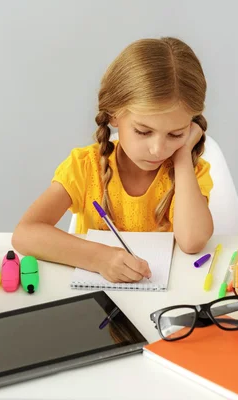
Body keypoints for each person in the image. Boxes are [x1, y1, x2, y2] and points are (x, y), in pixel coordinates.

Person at [12, 37, 214, 283]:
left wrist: (183, 156)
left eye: (175, 134)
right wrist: (99, 259)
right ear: (114, 116)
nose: (158, 149)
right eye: (143, 131)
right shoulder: (85, 166)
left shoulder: (189, 174)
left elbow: (192, 241)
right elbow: (25, 233)